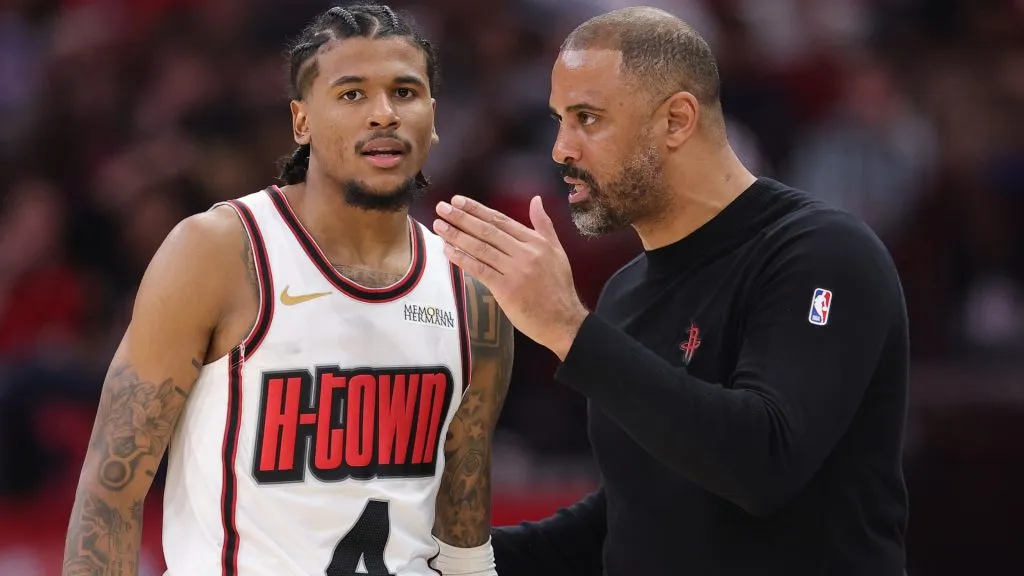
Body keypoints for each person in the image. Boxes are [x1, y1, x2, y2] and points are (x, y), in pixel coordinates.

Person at [433, 6, 908, 576]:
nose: (560, 149)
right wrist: (442, 561)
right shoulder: (625, 293)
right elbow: (637, 518)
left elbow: (764, 463)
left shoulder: (823, 254)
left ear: (677, 120)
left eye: (588, 118)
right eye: (560, 119)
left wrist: (567, 327)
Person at [61, 5, 512, 575]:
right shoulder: (219, 251)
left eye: (404, 92)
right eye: (352, 94)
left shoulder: (471, 290)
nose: (384, 114)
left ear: (433, 116)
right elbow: (109, 493)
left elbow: (464, 541)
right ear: (301, 121)